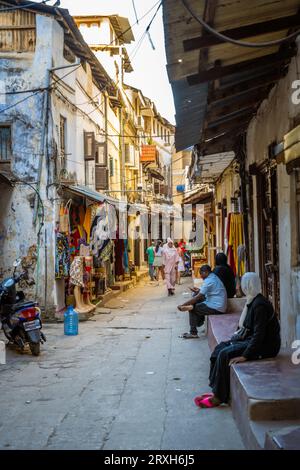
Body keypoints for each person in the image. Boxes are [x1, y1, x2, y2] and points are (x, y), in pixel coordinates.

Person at [194, 272, 281, 408]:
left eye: (241, 284)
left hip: (266, 346)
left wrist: (245, 356)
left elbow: (259, 335)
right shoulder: (252, 301)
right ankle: (216, 389)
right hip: (253, 340)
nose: (238, 287)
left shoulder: (260, 305)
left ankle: (219, 397)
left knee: (225, 354)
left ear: (248, 286)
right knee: (220, 348)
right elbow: (247, 329)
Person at [177, 265, 227, 338]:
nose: (201, 276)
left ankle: (193, 332)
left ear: (205, 272)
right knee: (195, 302)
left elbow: (198, 297)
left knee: (192, 308)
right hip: (217, 304)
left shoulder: (209, 280)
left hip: (217, 307)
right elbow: (203, 293)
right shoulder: (213, 277)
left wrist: (183, 305)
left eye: (201, 274)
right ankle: (198, 322)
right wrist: (198, 291)